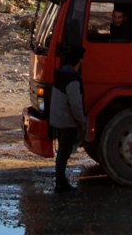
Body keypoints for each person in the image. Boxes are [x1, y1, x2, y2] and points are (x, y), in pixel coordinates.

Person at [49, 48, 85, 193]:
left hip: (57, 119)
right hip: (67, 121)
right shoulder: (73, 79)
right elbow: (75, 104)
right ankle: (61, 184)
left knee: (61, 153)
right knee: (64, 152)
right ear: (79, 61)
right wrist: (82, 120)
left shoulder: (60, 74)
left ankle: (60, 182)